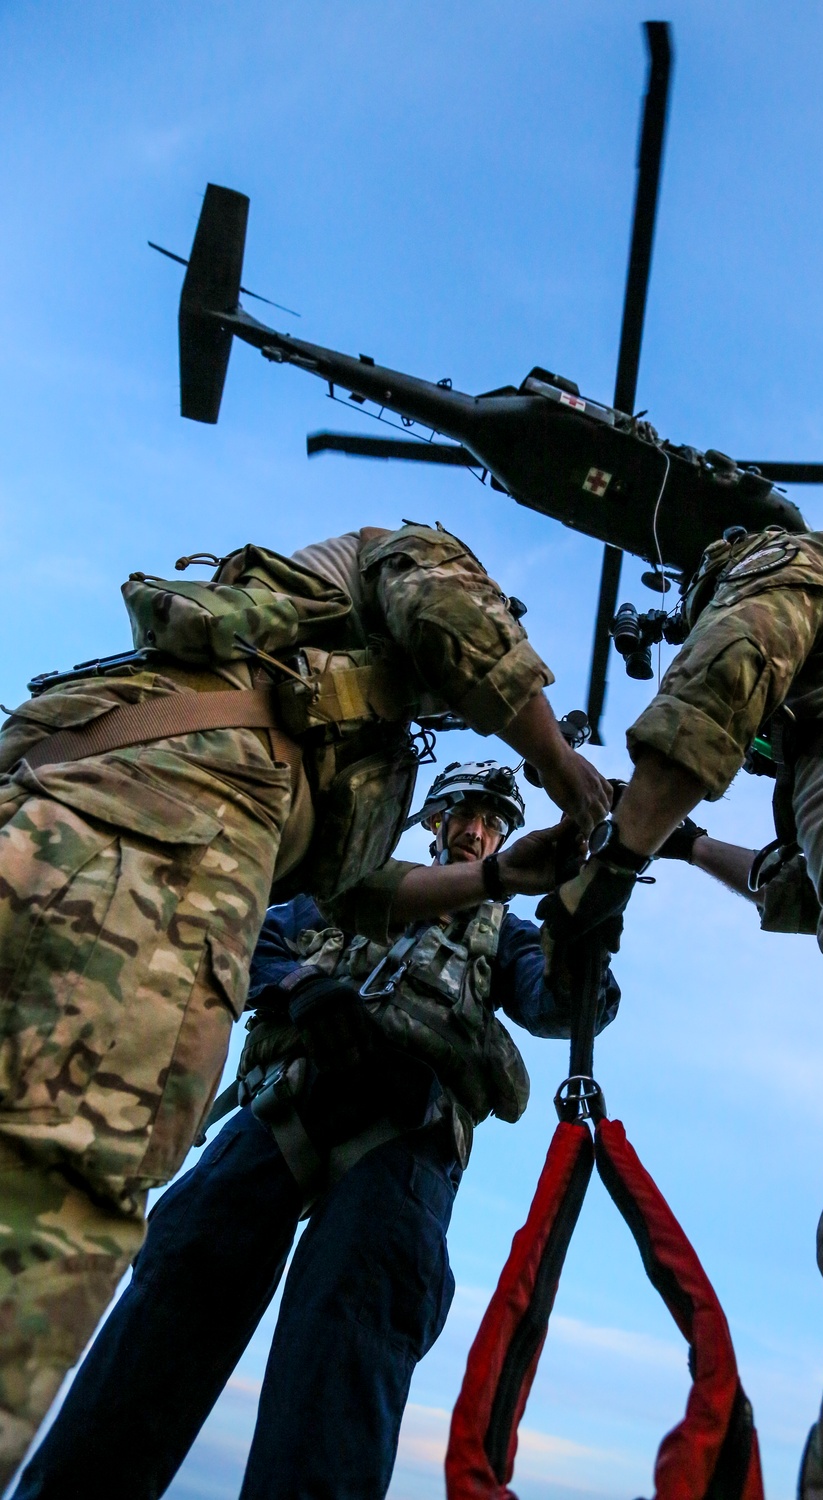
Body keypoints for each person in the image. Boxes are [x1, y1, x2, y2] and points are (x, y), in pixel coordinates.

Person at [0, 523, 610, 1479]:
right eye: (466, 815)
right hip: (283, 1101)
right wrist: (299, 982)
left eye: (493, 822)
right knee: (169, 1303)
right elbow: (249, 932)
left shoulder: (509, 934)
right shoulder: (341, 871)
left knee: (345, 1354)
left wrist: (582, 920)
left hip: (406, 1134)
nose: (478, 830)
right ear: (435, 817)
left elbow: (558, 1004)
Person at [540, 525, 823, 1498]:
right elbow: (790, 888)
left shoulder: (800, 557)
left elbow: (726, 668)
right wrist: (682, 844)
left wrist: (613, 868)